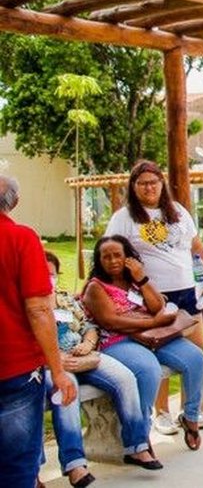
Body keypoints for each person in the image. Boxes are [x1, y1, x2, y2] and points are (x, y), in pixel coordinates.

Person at [105, 160, 203, 434]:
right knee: (159, 349)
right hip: (152, 295)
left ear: (161, 183)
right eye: (142, 183)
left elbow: (196, 245)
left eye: (153, 182)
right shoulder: (124, 217)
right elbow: (110, 251)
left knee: (196, 348)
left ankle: (194, 409)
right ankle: (162, 411)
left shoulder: (177, 211)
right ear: (133, 187)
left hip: (186, 291)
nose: (149, 188)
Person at [82, 235, 203, 451]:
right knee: (149, 368)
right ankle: (142, 432)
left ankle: (191, 416)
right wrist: (152, 321)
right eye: (106, 257)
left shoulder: (134, 280)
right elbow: (111, 321)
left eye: (117, 255)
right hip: (119, 340)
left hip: (153, 335)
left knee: (195, 358)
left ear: (128, 257)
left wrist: (141, 278)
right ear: (99, 260)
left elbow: (157, 305)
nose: (112, 261)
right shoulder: (96, 287)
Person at [44, 251, 160, 483]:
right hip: (55, 363)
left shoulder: (65, 299)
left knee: (125, 378)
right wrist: (56, 359)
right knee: (67, 392)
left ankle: (136, 445)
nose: (49, 278)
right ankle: (75, 464)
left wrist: (88, 343)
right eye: (43, 274)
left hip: (84, 355)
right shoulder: (28, 305)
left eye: (52, 274)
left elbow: (88, 325)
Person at [0, 175, 77, 487]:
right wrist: (57, 370)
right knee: (18, 467)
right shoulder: (20, 239)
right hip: (15, 369)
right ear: (15, 202)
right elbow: (39, 309)